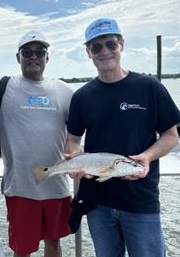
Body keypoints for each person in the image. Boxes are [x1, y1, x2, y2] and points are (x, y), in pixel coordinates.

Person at [65, 17, 180, 257]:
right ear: (88, 52)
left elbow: (171, 135)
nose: (104, 51)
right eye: (96, 47)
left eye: (111, 44)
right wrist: (75, 160)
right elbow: (73, 140)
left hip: (141, 200)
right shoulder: (82, 96)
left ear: (122, 44)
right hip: (98, 203)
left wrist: (148, 157)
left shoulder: (149, 86)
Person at [0, 30, 73, 257]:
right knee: (21, 248)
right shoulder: (1, 86)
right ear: (18, 57)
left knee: (54, 242)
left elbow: (78, 134)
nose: (33, 57)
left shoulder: (64, 91)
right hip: (19, 187)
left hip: (58, 186)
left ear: (47, 57)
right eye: (27, 52)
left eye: (40, 52)